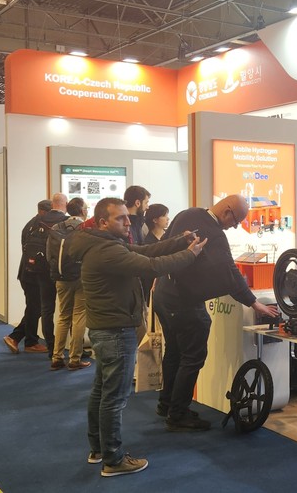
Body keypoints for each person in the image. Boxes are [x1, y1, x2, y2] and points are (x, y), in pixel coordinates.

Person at [69, 197, 206, 478]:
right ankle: (113, 459)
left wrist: (179, 241)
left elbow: (146, 250)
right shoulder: (107, 250)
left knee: (102, 391)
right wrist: (190, 254)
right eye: (120, 218)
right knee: (114, 398)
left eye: (126, 217)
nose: (128, 222)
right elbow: (152, 265)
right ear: (103, 222)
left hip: (107, 329)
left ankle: (99, 449)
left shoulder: (103, 243)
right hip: (115, 331)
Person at [151, 194, 279, 432]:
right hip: (183, 301)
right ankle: (178, 414)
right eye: (236, 221)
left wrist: (158, 277)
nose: (235, 226)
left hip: (164, 296)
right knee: (193, 356)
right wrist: (254, 303)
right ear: (227, 211)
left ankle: (166, 403)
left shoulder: (187, 214)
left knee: (174, 352)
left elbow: (163, 246)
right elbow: (230, 273)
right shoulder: (216, 235)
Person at [3, 199, 51, 354]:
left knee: (34, 307)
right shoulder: (40, 227)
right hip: (33, 275)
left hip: (27, 272)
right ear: (43, 211)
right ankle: (27, 341)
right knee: (35, 308)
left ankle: (19, 338)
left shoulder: (30, 226)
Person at [50, 197, 90, 371]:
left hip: (61, 277)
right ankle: (75, 358)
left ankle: (56, 357)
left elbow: (49, 254)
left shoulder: (56, 228)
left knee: (63, 316)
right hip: (81, 277)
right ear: (82, 211)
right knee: (79, 315)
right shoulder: (86, 228)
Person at [37, 193, 69, 357]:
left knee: (47, 309)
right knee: (68, 310)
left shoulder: (38, 220)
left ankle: (51, 347)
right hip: (62, 272)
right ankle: (73, 348)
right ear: (65, 204)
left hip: (42, 270)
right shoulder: (66, 222)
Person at [140, 203, 169, 305]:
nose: (168, 218)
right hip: (154, 289)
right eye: (164, 216)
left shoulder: (170, 237)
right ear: (155, 220)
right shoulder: (148, 243)